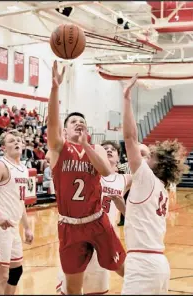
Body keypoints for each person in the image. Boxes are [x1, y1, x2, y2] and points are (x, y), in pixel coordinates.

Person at [47, 61, 126, 295]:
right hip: (69, 226)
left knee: (123, 268)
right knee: (73, 288)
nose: (79, 124)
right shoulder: (58, 149)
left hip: (97, 221)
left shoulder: (96, 148)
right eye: (73, 122)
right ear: (64, 130)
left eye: (82, 122)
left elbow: (106, 171)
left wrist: (86, 147)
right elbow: (51, 123)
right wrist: (54, 89)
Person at [116, 74, 188, 295]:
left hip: (142, 265)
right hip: (158, 264)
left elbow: (130, 139)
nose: (147, 154)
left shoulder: (146, 177)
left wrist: (126, 99)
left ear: (157, 165)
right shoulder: (160, 189)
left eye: (152, 155)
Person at [57, 140, 132, 295]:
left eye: (113, 149)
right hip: (80, 232)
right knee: (71, 287)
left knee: (97, 289)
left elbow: (147, 178)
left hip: (104, 237)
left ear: (119, 158)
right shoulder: (88, 174)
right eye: (105, 149)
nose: (109, 150)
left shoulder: (124, 179)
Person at [0, 129, 34, 295]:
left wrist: (26, 227)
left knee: (16, 272)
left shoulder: (24, 169)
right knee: (1, 275)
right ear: (3, 147)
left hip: (13, 228)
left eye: (19, 140)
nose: (17, 142)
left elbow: (21, 201)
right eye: (12, 141)